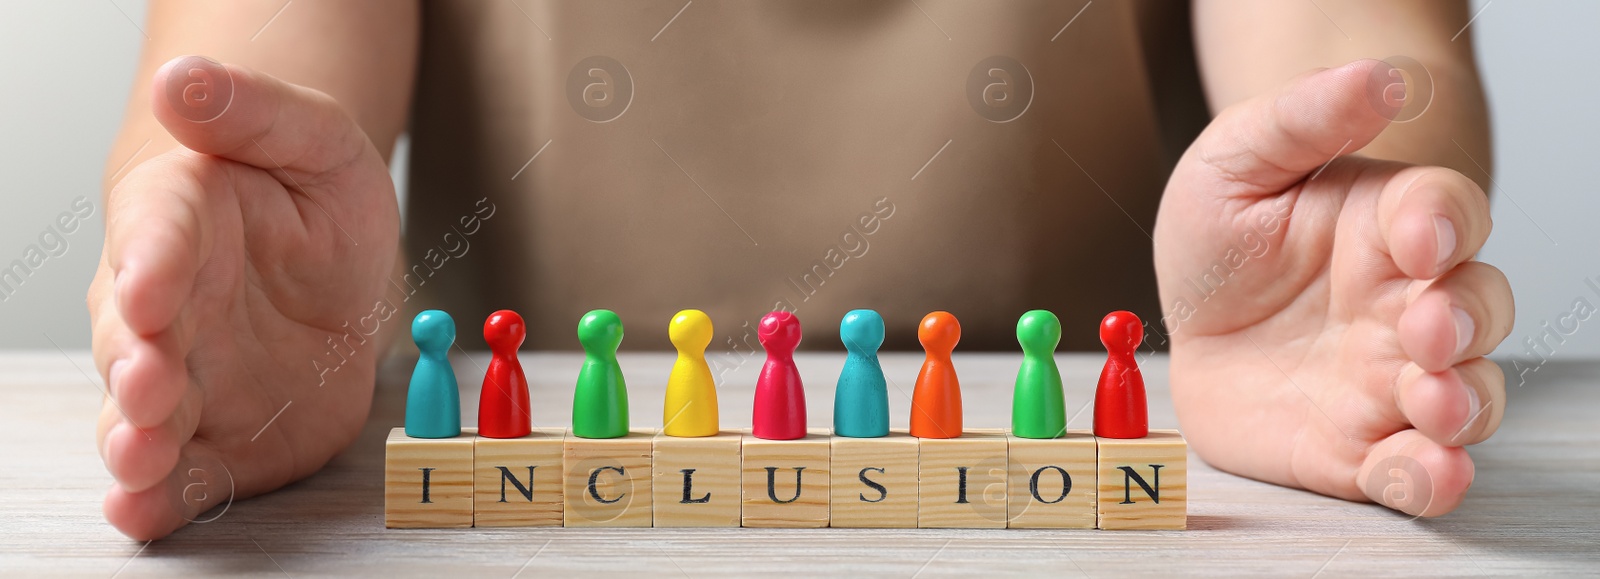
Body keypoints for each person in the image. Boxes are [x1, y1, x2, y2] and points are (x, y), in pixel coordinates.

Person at [88, 0, 1511, 540]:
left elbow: (1362, 56)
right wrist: (221, 244)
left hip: (1091, 488)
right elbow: (239, 85)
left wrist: (1355, 243)